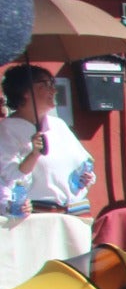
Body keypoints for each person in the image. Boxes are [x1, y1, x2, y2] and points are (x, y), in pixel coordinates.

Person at [0, 66, 96, 214]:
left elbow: (83, 162)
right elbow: (8, 178)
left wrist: (86, 177)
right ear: (25, 92)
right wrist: (33, 155)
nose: (54, 90)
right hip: (39, 217)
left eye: (53, 84)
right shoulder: (7, 130)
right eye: (45, 85)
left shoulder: (58, 125)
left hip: (76, 213)